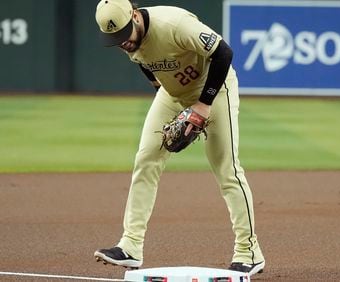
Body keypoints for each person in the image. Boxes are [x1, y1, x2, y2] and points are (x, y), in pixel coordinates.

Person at [93, 0, 265, 275]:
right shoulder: (128, 39)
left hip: (215, 89)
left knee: (227, 170)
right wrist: (171, 103)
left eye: (125, 34)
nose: (123, 43)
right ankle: (131, 245)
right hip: (172, 95)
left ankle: (249, 251)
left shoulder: (173, 24)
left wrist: (202, 106)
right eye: (116, 39)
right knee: (146, 158)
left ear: (135, 16)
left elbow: (223, 53)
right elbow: (147, 63)